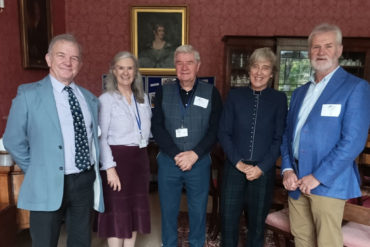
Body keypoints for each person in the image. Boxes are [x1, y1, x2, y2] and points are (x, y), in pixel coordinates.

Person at [3, 33, 104, 246]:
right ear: (49, 59)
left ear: (80, 64)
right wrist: (36, 169)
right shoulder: (28, 95)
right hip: (45, 183)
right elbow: (13, 139)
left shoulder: (89, 99)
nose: (68, 62)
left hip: (83, 181)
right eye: (61, 55)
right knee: (44, 242)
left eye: (74, 58)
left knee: (81, 241)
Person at [281, 23, 370, 247]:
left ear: (339, 50)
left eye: (328, 46)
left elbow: (353, 142)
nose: (321, 52)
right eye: (316, 47)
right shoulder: (300, 92)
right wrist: (287, 169)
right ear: (309, 51)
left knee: (327, 242)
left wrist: (318, 176)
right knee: (301, 238)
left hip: (328, 183)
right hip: (297, 180)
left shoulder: (355, 87)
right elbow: (287, 135)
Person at [151, 44, 223, 246]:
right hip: (168, 161)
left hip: (199, 162)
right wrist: (176, 154)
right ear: (175, 66)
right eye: (179, 63)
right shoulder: (163, 92)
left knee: (199, 210)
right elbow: (157, 127)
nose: (184, 67)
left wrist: (195, 154)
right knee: (168, 210)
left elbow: (215, 129)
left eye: (189, 62)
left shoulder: (211, 93)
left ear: (198, 65)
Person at [218, 47, 287, 247]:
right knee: (228, 222)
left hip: (262, 171)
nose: (259, 72)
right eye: (255, 67)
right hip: (234, 168)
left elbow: (279, 138)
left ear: (272, 73)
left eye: (265, 68)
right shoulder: (235, 96)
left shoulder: (279, 99)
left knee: (257, 226)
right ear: (248, 70)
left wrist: (260, 168)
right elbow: (224, 132)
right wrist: (238, 163)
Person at [97, 51, 152, 247]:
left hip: (140, 159)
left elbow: (146, 131)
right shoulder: (106, 99)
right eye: (121, 68)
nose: (125, 72)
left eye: (130, 68)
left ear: (135, 71)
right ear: (113, 70)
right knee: (117, 213)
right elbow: (101, 137)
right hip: (117, 161)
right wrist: (110, 168)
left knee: (135, 211)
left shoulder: (142, 99)